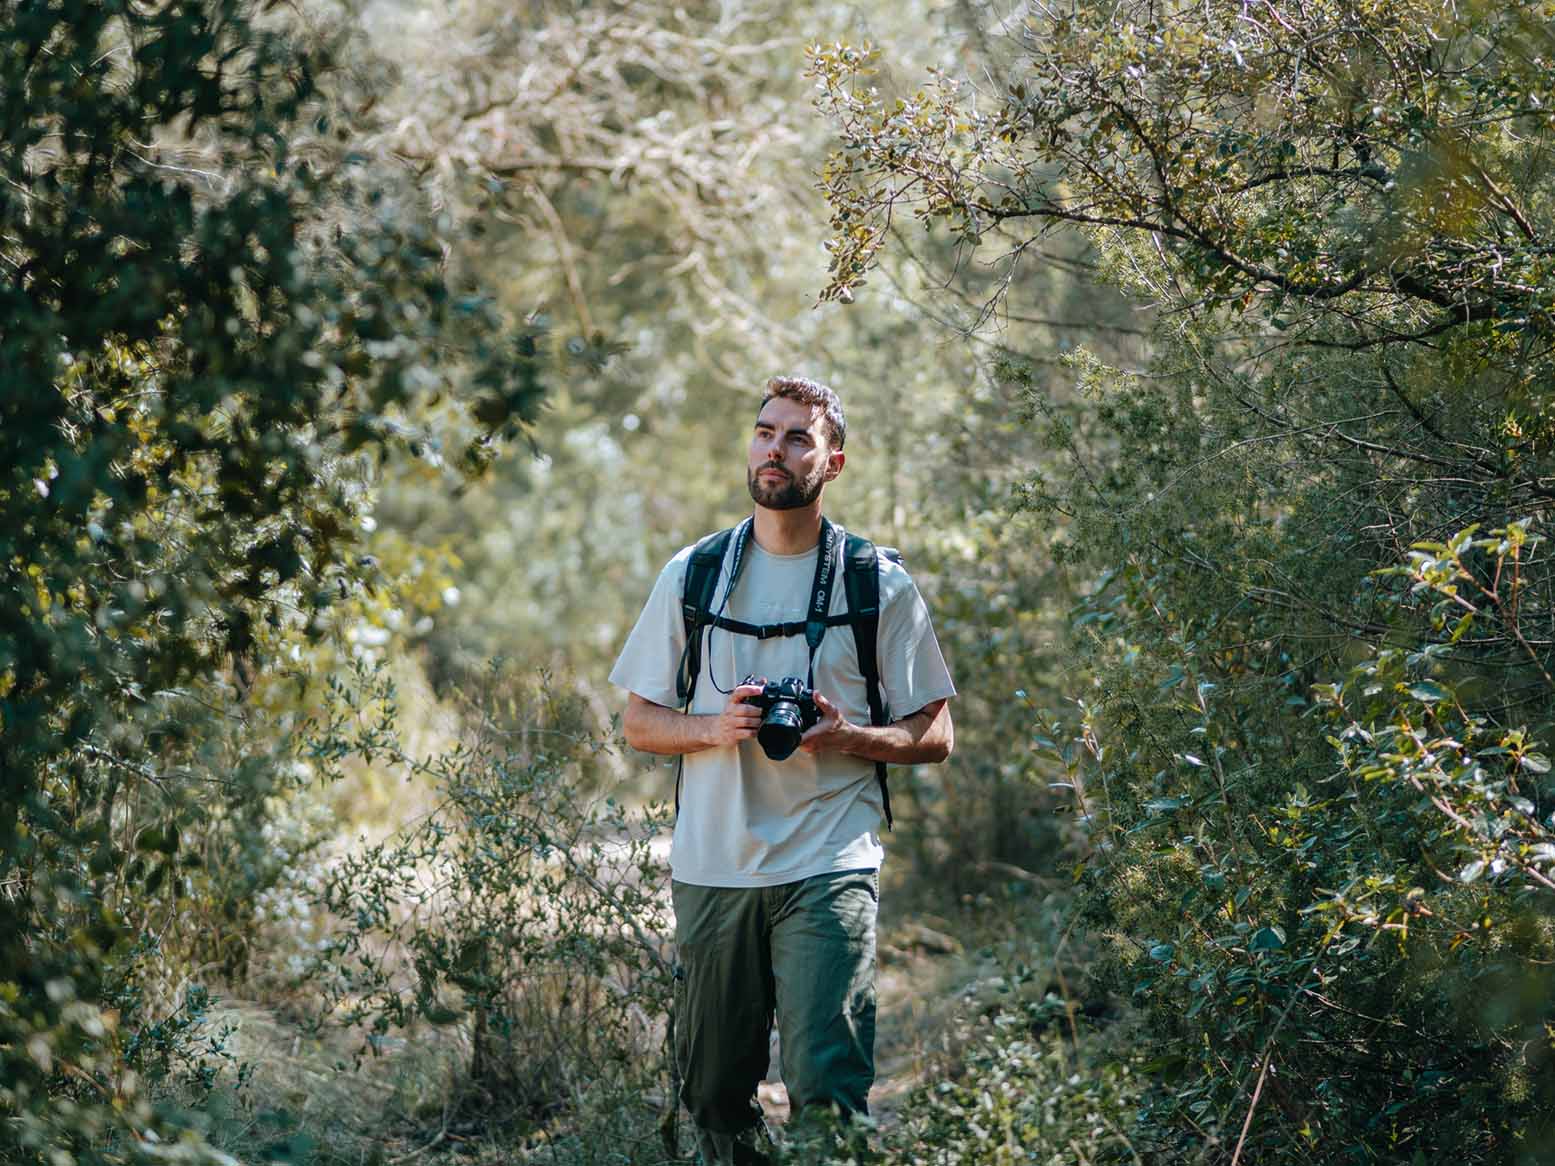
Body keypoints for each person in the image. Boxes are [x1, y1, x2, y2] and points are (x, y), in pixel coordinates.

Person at [609, 375, 956, 1165]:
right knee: (713, 1092)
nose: (775, 448)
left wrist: (846, 735)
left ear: (833, 461)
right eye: (766, 432)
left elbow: (934, 735)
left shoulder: (877, 582)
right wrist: (715, 726)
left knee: (826, 1088)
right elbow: (638, 722)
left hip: (828, 858)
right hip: (713, 863)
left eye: (798, 437)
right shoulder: (693, 574)